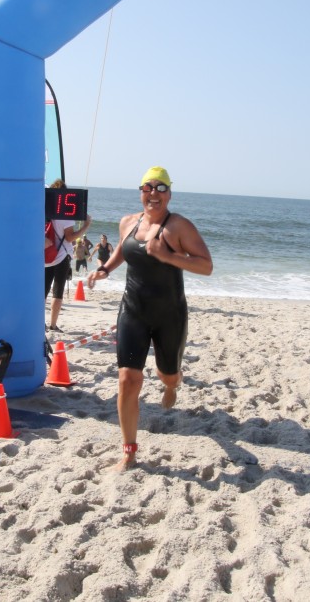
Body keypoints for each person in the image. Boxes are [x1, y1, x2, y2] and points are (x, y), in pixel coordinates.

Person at [86, 167, 212, 470]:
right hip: (133, 311)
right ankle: (129, 451)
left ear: (169, 194)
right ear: (141, 192)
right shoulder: (128, 222)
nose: (153, 193)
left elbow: (206, 266)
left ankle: (172, 384)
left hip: (170, 314)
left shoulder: (179, 226)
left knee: (168, 375)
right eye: (147, 187)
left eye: (160, 188)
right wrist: (104, 269)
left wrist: (168, 255)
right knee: (128, 380)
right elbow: (122, 249)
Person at [45, 179, 91, 333]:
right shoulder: (65, 214)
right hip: (61, 256)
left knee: (43, 291)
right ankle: (52, 325)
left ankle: (39, 323)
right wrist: (85, 226)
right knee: (57, 292)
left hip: (46, 255)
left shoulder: (45, 211)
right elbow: (70, 238)